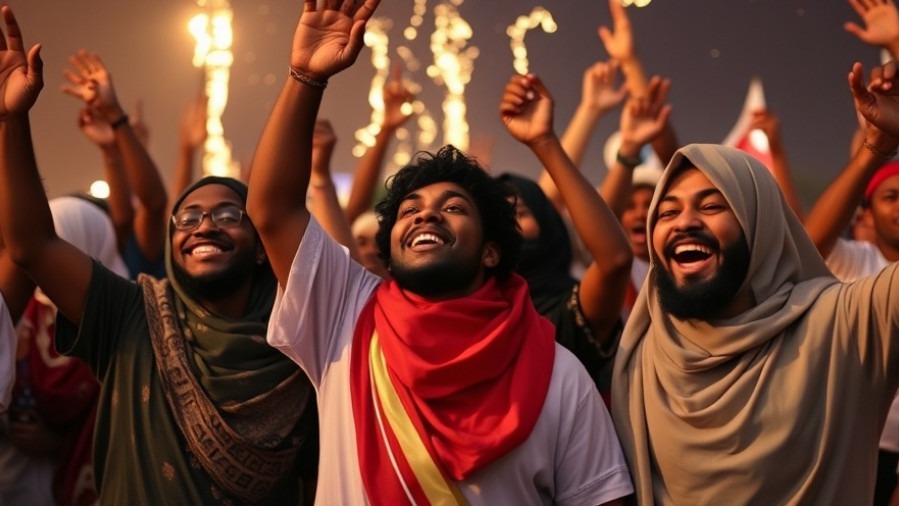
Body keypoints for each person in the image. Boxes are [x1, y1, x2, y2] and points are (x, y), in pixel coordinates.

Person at [246, 1, 633, 504]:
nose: (425, 216)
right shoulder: (346, 313)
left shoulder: (558, 373)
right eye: (408, 211)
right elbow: (272, 210)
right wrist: (304, 76)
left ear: (491, 252)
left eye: (453, 207)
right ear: (389, 248)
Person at [0, 7, 317, 504]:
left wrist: (307, 78)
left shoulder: (302, 338)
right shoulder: (133, 316)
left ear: (261, 247)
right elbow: (31, 245)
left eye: (229, 215)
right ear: (170, 246)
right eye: (187, 218)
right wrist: (11, 121)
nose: (204, 225)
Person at [611, 58, 899, 503]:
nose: (684, 222)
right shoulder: (645, 350)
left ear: (760, 227)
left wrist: (878, 148)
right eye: (666, 212)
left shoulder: (845, 324)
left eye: (711, 206)